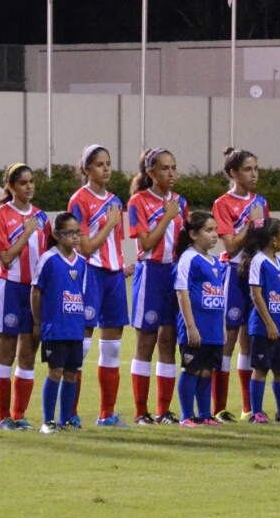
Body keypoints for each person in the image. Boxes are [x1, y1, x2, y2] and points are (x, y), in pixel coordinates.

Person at [126, 148, 188, 426]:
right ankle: (142, 412)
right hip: (151, 273)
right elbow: (146, 244)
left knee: (168, 341)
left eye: (174, 167)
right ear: (150, 173)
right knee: (146, 342)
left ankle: (164, 410)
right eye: (165, 168)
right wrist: (166, 216)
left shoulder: (180, 202)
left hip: (173, 275)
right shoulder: (138, 202)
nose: (171, 173)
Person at [68, 145, 129, 426]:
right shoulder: (79, 201)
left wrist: (122, 265)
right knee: (81, 346)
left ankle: (107, 414)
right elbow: (86, 246)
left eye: (109, 163)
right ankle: (71, 413)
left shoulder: (116, 200)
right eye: (100, 164)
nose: (106, 169)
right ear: (86, 169)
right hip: (90, 274)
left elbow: (116, 244)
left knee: (113, 348)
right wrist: (110, 223)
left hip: (114, 276)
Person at [0, 161, 45, 431]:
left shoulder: (42, 217)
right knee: (6, 355)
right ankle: (3, 417)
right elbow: (7, 259)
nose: (29, 186)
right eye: (23, 183)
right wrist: (26, 232)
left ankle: (20, 415)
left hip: (34, 292)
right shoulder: (0, 216)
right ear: (10, 187)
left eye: (31, 181)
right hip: (9, 289)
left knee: (28, 354)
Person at [212, 148, 268, 422]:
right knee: (229, 339)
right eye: (248, 169)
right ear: (233, 173)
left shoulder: (261, 201)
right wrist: (251, 221)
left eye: (256, 168)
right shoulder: (223, 203)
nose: (254, 174)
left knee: (250, 339)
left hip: (256, 273)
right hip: (233, 273)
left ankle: (249, 408)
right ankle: (219, 407)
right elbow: (232, 246)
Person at [31, 212, 90, 433]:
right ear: (56, 235)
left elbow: (80, 294)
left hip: (74, 327)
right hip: (55, 327)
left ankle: (66, 419)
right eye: (70, 233)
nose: (75, 237)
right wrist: (38, 323)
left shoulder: (82, 262)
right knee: (55, 371)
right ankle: (48, 421)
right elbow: (36, 292)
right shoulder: (48, 259)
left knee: (72, 373)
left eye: (78, 232)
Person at [173, 210, 226, 426]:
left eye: (215, 230)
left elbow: (218, 296)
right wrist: (191, 326)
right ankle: (187, 416)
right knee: (192, 368)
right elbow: (182, 292)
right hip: (195, 327)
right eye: (208, 230)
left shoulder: (215, 261)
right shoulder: (188, 258)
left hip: (213, 328)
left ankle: (204, 415)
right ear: (194, 234)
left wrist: (220, 326)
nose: (214, 235)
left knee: (207, 371)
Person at [243, 218, 280, 423]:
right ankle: (256, 412)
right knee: (261, 368)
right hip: (263, 328)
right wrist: (269, 323)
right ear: (274, 240)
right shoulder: (258, 261)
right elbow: (256, 295)